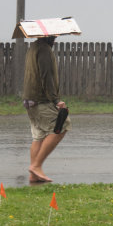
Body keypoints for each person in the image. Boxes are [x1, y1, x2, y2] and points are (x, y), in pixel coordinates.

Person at [22, 35, 71, 183]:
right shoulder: (44, 50)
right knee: (62, 125)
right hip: (41, 99)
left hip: (29, 99)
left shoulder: (34, 47)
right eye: (53, 37)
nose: (55, 39)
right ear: (47, 36)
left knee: (40, 135)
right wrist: (56, 100)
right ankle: (36, 166)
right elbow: (46, 76)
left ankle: (34, 175)